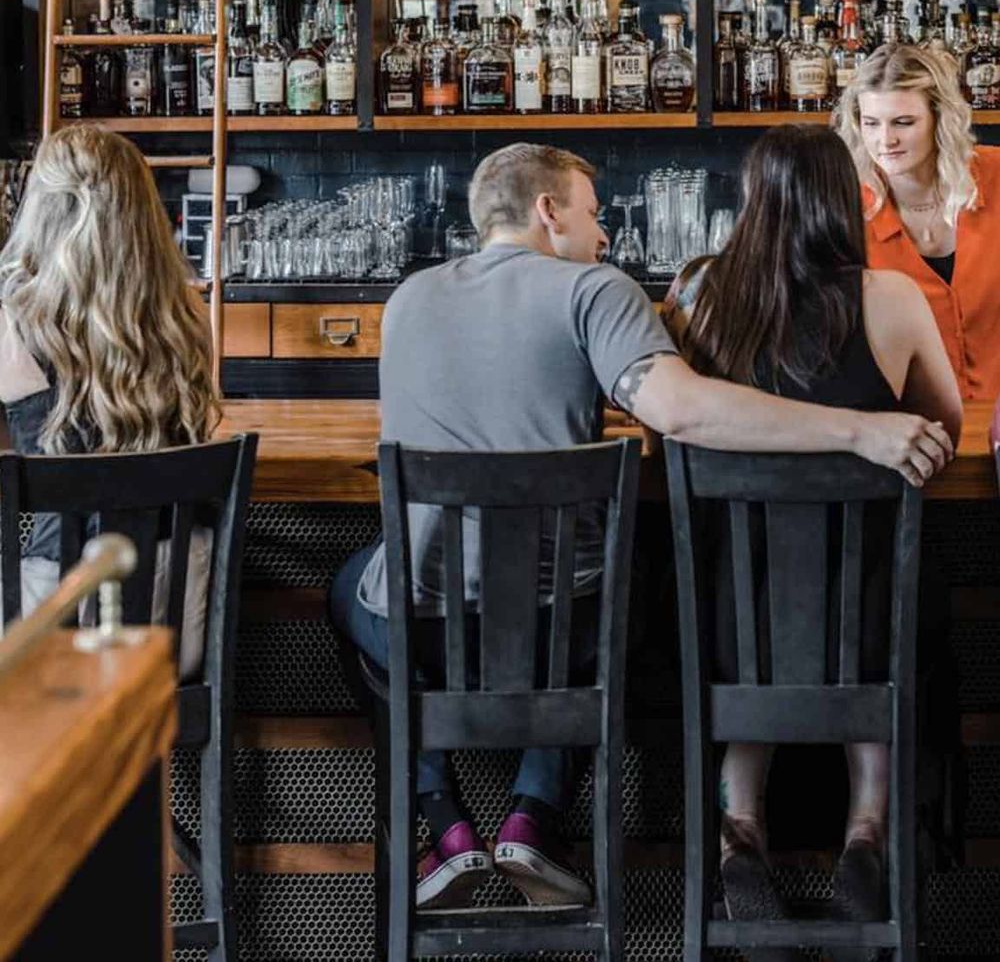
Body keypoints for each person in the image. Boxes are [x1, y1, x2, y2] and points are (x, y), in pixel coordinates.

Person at [329, 142, 953, 914]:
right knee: (627, 587)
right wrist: (861, 430)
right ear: (547, 211)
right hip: (569, 622)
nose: (604, 236)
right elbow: (682, 409)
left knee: (349, 585)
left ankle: (444, 824)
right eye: (593, 214)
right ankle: (535, 812)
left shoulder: (407, 300)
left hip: (421, 629)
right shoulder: (594, 290)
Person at [665, 125, 961, 962]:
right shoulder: (892, 297)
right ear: (843, 196)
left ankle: (740, 829)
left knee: (753, 609)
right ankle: (866, 833)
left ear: (752, 200)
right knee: (878, 605)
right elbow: (945, 427)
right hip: (870, 620)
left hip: (730, 621)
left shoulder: (696, 293)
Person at [0, 124, 220, 677]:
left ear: (41, 209)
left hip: (57, 618)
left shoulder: (12, 323)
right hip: (175, 614)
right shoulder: (186, 317)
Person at [835, 42, 1000, 400]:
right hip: (905, 432)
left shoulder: (995, 175)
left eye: (903, 122)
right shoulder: (843, 207)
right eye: (871, 123)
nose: (885, 140)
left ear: (941, 119)